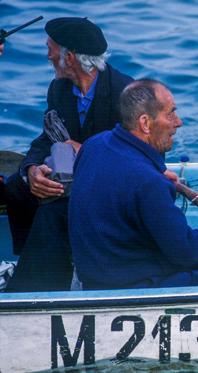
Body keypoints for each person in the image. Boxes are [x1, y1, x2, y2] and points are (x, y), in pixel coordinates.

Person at [68, 79, 198, 290]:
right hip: (128, 284)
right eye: (170, 114)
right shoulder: (148, 182)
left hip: (99, 269)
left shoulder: (95, 145)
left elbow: (121, 181)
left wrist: (153, 171)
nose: (178, 122)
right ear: (145, 123)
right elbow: (187, 252)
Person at [5, 17, 133, 292]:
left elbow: (136, 157)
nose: (48, 55)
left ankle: (38, 287)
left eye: (50, 48)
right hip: (70, 177)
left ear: (70, 57)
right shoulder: (59, 88)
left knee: (54, 209)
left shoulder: (126, 94)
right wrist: (31, 169)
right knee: (18, 186)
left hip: (110, 185)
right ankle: (30, 261)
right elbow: (45, 138)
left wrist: (88, 151)